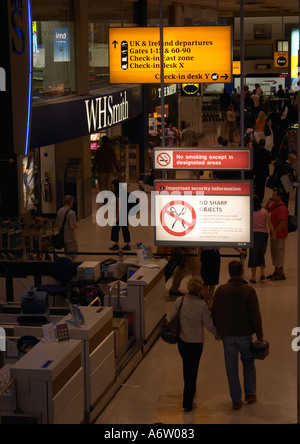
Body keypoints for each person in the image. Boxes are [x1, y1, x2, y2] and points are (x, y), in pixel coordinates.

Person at [211, 261, 264, 411]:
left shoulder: (220, 291)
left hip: (227, 335)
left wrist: (217, 330)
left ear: (229, 272)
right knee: (248, 362)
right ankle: (250, 393)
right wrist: (259, 334)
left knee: (231, 368)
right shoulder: (248, 291)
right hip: (244, 334)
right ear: (242, 272)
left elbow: (214, 311)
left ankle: (236, 400)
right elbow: (255, 315)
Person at [169, 278, 217, 412]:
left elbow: (172, 317)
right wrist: (218, 334)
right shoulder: (202, 306)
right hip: (196, 343)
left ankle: (190, 392)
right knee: (193, 369)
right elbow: (209, 325)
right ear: (199, 290)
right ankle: (188, 401)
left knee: (186, 367)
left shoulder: (180, 301)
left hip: (182, 342)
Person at [248, 195, 276, 283]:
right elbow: (269, 224)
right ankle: (262, 273)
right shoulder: (264, 212)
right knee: (261, 253)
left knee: (253, 254)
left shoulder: (249, 212)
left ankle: (253, 276)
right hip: (263, 235)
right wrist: (273, 234)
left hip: (253, 235)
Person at [264, 188, 289, 281]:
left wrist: (275, 233)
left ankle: (281, 273)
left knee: (279, 253)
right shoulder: (274, 205)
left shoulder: (282, 208)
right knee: (274, 253)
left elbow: (282, 223)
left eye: (274, 195)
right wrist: (268, 202)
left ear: (279, 196)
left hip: (280, 235)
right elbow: (265, 211)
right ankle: (276, 271)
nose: (272, 196)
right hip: (274, 235)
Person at [109, 179, 131, 251]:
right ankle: (127, 245)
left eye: (112, 185)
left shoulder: (118, 193)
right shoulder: (123, 192)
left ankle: (116, 244)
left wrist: (117, 217)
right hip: (125, 213)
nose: (112, 186)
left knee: (115, 229)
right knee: (125, 230)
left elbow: (119, 206)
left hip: (120, 214)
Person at [56, 195, 78, 260]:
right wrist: (76, 226)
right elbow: (72, 226)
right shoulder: (71, 213)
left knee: (67, 254)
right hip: (70, 238)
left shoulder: (59, 211)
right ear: (71, 202)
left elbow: (57, 223)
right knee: (72, 255)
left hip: (62, 237)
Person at [253, 139, 272, 203]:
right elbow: (269, 161)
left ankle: (256, 197)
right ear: (264, 144)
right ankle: (261, 198)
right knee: (262, 185)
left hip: (257, 171)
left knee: (257, 184)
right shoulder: (267, 152)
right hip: (264, 172)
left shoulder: (255, 151)